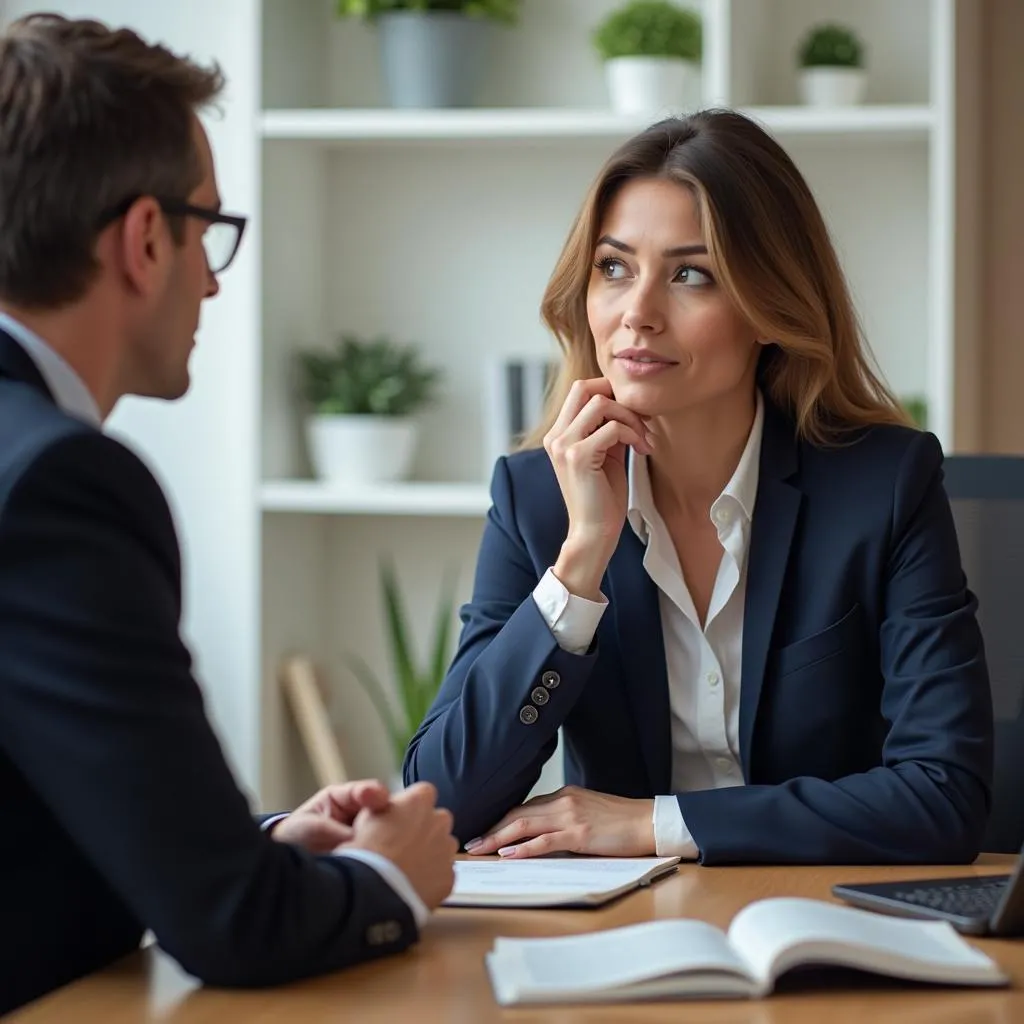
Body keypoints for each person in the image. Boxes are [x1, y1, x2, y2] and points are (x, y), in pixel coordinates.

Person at [0, 14, 456, 1016]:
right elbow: (230, 925)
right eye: (210, 229)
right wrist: (391, 876)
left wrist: (253, 844)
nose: (212, 279)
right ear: (145, 238)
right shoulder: (59, 483)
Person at [404, 109, 994, 867]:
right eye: (614, 267)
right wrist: (582, 558)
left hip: (825, 922)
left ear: (769, 306)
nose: (637, 314)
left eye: (691, 274)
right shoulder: (539, 498)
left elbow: (944, 795)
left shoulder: (884, 486)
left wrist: (656, 824)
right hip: (627, 938)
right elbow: (444, 799)